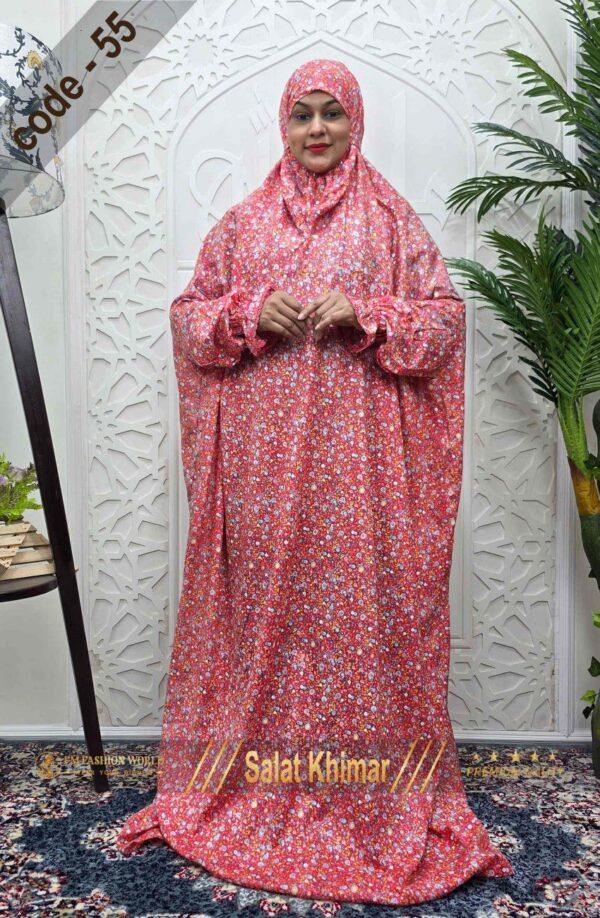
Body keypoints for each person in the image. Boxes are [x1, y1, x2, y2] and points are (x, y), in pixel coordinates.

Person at [116, 57, 514, 906]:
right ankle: (252, 784)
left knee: (358, 619)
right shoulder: (243, 223)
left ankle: (366, 794)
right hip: (261, 472)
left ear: (355, 121)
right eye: (303, 115)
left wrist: (367, 313)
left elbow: (443, 326)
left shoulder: (391, 223)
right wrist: (247, 312)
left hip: (359, 476)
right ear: (284, 125)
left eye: (333, 113)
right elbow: (190, 321)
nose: (318, 129)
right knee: (268, 618)